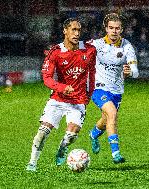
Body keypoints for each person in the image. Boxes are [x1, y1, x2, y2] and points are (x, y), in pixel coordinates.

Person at [26, 18, 96, 172]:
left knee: (71, 135)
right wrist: (62, 87)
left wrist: (88, 96)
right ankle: (32, 163)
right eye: (73, 30)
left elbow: (92, 75)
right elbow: (46, 78)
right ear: (65, 30)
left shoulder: (90, 50)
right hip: (57, 99)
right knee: (42, 134)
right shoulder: (56, 52)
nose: (77, 33)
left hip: (78, 101)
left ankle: (63, 147)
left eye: (79, 30)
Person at [88, 13, 139, 164]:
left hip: (116, 91)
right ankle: (115, 153)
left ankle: (93, 134)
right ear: (106, 28)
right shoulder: (96, 44)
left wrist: (130, 72)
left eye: (117, 28)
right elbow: (76, 48)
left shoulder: (127, 46)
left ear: (121, 29)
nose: (114, 31)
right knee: (112, 113)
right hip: (98, 87)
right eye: (111, 28)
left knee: (106, 119)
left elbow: (135, 72)